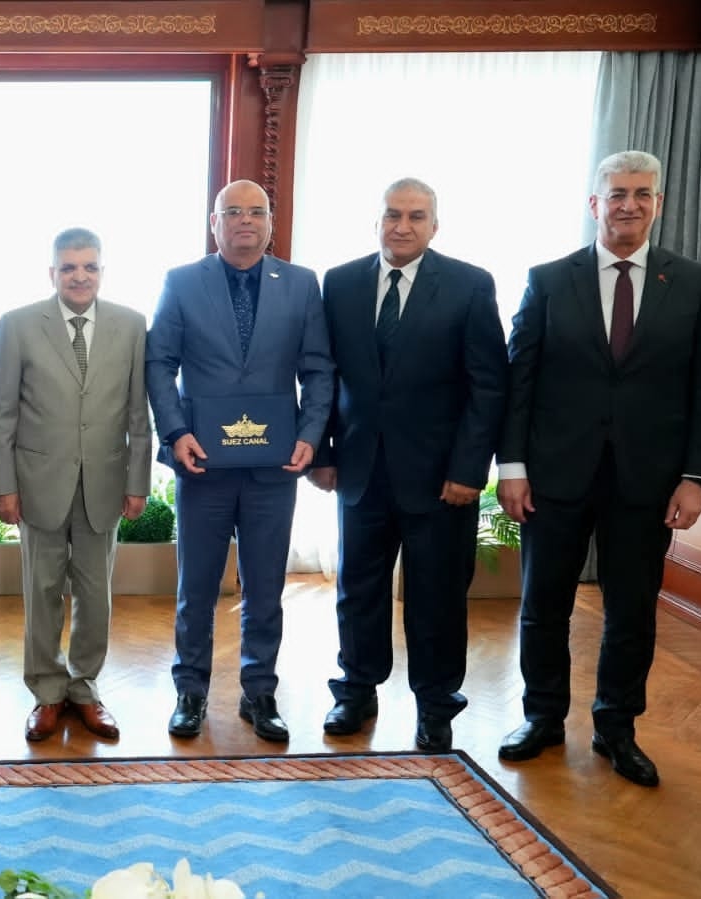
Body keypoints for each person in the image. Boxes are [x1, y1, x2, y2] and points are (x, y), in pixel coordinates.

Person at [495, 151, 701, 787]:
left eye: (642, 194)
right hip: (554, 475)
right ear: (595, 203)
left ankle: (616, 727)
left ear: (658, 204)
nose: (630, 204)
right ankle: (542, 717)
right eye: (618, 193)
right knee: (544, 605)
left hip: (648, 481)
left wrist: (695, 476)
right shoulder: (548, 279)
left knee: (632, 611)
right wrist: (511, 466)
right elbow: (520, 380)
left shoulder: (695, 282)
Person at [308, 178, 508, 751]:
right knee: (358, 590)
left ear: (434, 226)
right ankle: (355, 691)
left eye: (416, 216)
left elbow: (488, 385)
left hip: (442, 478)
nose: (402, 226)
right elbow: (323, 375)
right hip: (360, 471)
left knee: (437, 596)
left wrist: (469, 470)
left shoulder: (470, 284)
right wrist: (322, 453)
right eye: (393, 215)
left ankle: (436, 705)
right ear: (376, 221)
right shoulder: (340, 282)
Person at [146, 179, 335, 740]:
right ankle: (190, 691)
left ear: (271, 222)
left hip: (274, 467)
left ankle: (260, 692)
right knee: (197, 588)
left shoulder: (301, 284)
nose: (245, 220)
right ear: (215, 222)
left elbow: (318, 369)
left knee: (266, 588)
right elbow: (159, 363)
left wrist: (310, 435)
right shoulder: (182, 282)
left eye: (256, 211)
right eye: (233, 211)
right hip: (202, 462)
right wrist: (175, 432)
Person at [0, 228, 152, 742]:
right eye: (69, 267)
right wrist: (4, 485)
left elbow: (138, 413)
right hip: (38, 484)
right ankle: (47, 692)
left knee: (95, 594)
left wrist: (139, 481)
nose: (79, 276)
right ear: (52, 272)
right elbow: (2, 413)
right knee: (41, 592)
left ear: (102, 271)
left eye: (89, 267)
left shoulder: (132, 325)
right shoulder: (17, 325)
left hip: (105, 481)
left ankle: (84, 689)